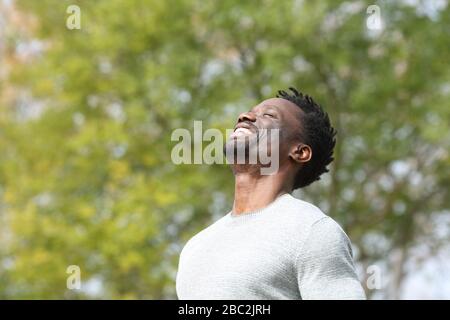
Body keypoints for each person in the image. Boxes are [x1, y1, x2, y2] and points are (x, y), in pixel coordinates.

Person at [176, 87, 366, 299]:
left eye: (268, 115)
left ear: (300, 152)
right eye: (249, 112)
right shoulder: (195, 247)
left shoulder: (311, 232)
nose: (244, 116)